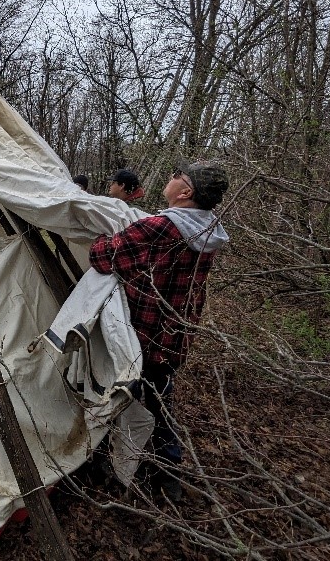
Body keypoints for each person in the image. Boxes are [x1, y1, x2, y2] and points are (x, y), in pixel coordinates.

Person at [89, 160, 229, 499]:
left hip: (144, 335)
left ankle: (111, 465)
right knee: (160, 400)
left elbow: (102, 256)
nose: (169, 177)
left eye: (176, 176)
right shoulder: (207, 228)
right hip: (175, 337)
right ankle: (167, 475)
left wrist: (101, 237)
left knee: (124, 397)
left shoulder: (162, 228)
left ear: (185, 192)